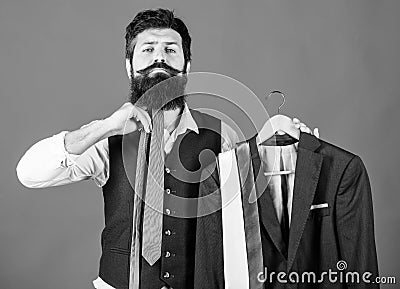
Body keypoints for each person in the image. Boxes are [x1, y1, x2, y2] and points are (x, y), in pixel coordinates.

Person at [16, 8, 317, 289]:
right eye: (147, 50)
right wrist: (105, 127)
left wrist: (284, 151)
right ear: (129, 66)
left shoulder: (222, 135)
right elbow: (29, 173)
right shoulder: (106, 138)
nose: (159, 59)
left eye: (170, 50)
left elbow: (248, 215)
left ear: (186, 67)